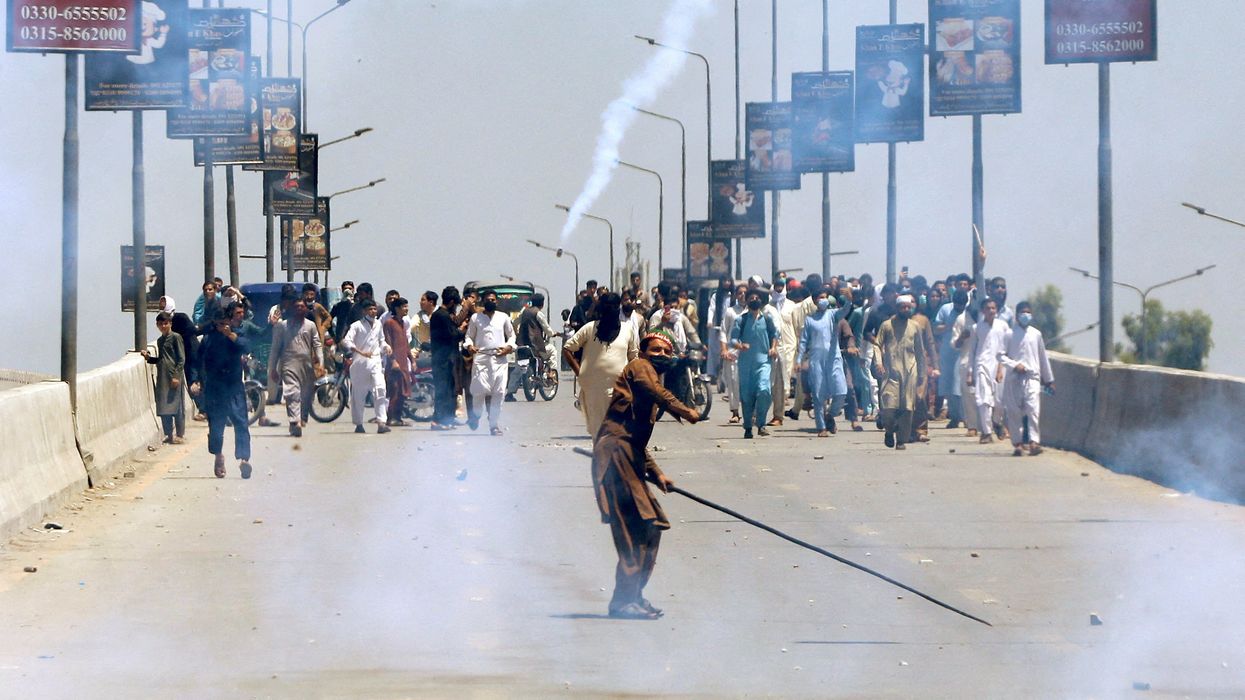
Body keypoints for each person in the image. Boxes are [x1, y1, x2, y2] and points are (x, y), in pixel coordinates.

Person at [591, 331, 700, 619]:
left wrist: (657, 473)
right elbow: (653, 392)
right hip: (615, 456)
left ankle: (633, 596)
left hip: (630, 456)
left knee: (651, 527)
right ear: (642, 352)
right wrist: (684, 410)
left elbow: (637, 440)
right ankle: (622, 602)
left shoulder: (650, 378)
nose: (661, 355)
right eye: (656, 350)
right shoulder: (640, 367)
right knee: (636, 528)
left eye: (666, 352)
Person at [189, 301, 252, 479]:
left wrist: (230, 335)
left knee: (241, 422)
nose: (222, 326)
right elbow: (197, 361)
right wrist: (195, 380)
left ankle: (244, 459)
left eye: (225, 323)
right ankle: (218, 455)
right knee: (216, 427)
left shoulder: (236, 334)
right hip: (215, 388)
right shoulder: (208, 339)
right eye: (219, 324)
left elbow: (246, 346)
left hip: (234, 386)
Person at [564, 293, 639, 438]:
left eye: (614, 306)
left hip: (620, 389)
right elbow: (568, 349)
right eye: (607, 307)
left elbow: (633, 357)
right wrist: (579, 372)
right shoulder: (589, 329)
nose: (611, 310)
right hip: (593, 391)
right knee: (598, 433)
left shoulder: (627, 330)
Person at [1000, 301, 1055, 456]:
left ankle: (1033, 442)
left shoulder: (1036, 334)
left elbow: (1042, 357)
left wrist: (1049, 379)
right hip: (1014, 378)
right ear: (1017, 315)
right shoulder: (1009, 334)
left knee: (1033, 410)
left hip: (1032, 378)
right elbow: (1000, 355)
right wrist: (1014, 365)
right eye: (1023, 312)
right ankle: (1017, 443)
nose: (1026, 315)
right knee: (1014, 412)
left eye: (1028, 312)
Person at [873, 295, 928, 450]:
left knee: (907, 408)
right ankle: (889, 430)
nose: (906, 309)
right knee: (889, 407)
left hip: (910, 372)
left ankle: (901, 440)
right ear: (897, 308)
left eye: (908, 307)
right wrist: (878, 363)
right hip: (891, 372)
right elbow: (877, 345)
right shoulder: (886, 325)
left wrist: (922, 374)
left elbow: (920, 351)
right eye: (903, 307)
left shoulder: (915, 326)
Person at [463, 289, 516, 435]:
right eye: (487, 300)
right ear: (483, 301)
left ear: (496, 301)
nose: (490, 302)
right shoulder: (476, 318)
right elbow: (468, 337)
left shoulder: (503, 317)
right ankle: (476, 415)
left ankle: (494, 425)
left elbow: (512, 336)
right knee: (479, 391)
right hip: (481, 359)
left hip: (499, 359)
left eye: (493, 300)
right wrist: (470, 346)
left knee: (499, 392)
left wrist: (509, 347)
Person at [798, 288, 849, 437]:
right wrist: (799, 360)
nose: (824, 300)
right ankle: (821, 427)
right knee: (818, 395)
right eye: (821, 297)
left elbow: (845, 310)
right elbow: (803, 341)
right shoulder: (810, 320)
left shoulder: (833, 315)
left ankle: (830, 415)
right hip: (816, 359)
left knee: (841, 391)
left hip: (834, 358)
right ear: (815, 301)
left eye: (826, 297)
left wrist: (849, 299)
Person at [268, 298, 323, 437]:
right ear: (292, 309)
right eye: (296, 306)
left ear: (306, 309)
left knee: (306, 394)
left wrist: (321, 363)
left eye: (302, 306)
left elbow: (317, 344)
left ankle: (300, 419)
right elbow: (275, 348)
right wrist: (272, 368)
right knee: (292, 392)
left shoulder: (310, 325)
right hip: (288, 362)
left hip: (306, 364)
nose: (299, 309)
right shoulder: (283, 326)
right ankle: (295, 421)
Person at [731, 288, 779, 439]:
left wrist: (773, 348)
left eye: (756, 298)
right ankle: (747, 427)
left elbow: (775, 334)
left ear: (761, 301)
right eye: (751, 298)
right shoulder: (741, 320)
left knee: (764, 391)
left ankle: (761, 424)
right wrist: (740, 346)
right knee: (747, 397)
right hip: (746, 365)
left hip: (764, 362)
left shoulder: (767, 319)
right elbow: (732, 339)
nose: (754, 300)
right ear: (746, 301)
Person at [341, 298, 391, 434]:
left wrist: (386, 347)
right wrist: (360, 352)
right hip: (360, 364)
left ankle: (381, 422)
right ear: (364, 311)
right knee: (358, 395)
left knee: (380, 389)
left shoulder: (378, 324)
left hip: (375, 362)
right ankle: (358, 424)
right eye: (370, 309)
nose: (373, 311)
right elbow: (347, 341)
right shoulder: (356, 326)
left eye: (374, 309)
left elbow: (381, 341)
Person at [969, 298, 1010, 444]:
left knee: (999, 401)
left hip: (1000, 366)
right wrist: (970, 372)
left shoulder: (1003, 326)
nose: (991, 311)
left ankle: (997, 422)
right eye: (988, 308)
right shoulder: (976, 328)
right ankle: (986, 432)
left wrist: (1001, 368)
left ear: (996, 310)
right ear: (982, 311)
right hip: (982, 366)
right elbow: (972, 351)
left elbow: (1007, 349)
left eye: (993, 308)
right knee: (983, 399)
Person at [142, 311, 186, 444]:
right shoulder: (160, 341)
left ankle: (179, 434)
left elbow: (181, 359)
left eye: (165, 323)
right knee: (163, 407)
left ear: (170, 324)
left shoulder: (176, 337)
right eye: (160, 324)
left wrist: (176, 376)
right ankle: (168, 434)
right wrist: (149, 358)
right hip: (163, 377)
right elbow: (161, 359)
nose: (163, 326)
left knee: (177, 406)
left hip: (174, 376)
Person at [429, 286, 463, 430]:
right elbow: (452, 335)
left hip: (447, 359)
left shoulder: (443, 315)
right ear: (451, 302)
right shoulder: (441, 316)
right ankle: (437, 421)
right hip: (441, 360)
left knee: (449, 390)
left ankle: (447, 419)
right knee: (442, 390)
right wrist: (464, 331)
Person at [935, 289, 969, 429]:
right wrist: (948, 326)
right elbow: (936, 327)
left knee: (962, 386)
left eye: (962, 305)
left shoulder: (969, 311)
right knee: (949, 386)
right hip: (948, 353)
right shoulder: (945, 309)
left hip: (965, 353)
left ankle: (966, 418)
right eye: (957, 305)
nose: (959, 308)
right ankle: (954, 417)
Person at [383, 297, 413, 427]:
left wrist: (412, 360)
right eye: (404, 307)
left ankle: (398, 418)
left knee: (403, 392)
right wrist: (393, 361)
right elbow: (388, 344)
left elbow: (406, 344)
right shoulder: (389, 323)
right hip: (394, 364)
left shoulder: (403, 323)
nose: (406, 309)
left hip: (404, 362)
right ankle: (391, 418)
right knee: (394, 391)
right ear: (397, 308)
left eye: (407, 306)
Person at [719, 283, 746, 424]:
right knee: (733, 383)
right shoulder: (730, 311)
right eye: (740, 293)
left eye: (745, 293)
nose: (743, 295)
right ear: (735, 295)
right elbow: (723, 331)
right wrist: (724, 349)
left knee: (747, 385)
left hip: (748, 353)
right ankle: (735, 412)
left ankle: (751, 412)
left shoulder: (753, 311)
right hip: (732, 353)